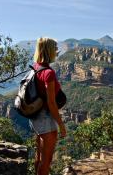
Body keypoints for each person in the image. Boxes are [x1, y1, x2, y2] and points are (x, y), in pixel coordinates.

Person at [29, 37, 67, 175]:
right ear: (49, 51)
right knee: (46, 161)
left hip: (35, 117)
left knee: (39, 157)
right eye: (55, 49)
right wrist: (61, 125)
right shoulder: (48, 73)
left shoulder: (36, 67)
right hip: (45, 118)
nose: (57, 52)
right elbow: (51, 103)